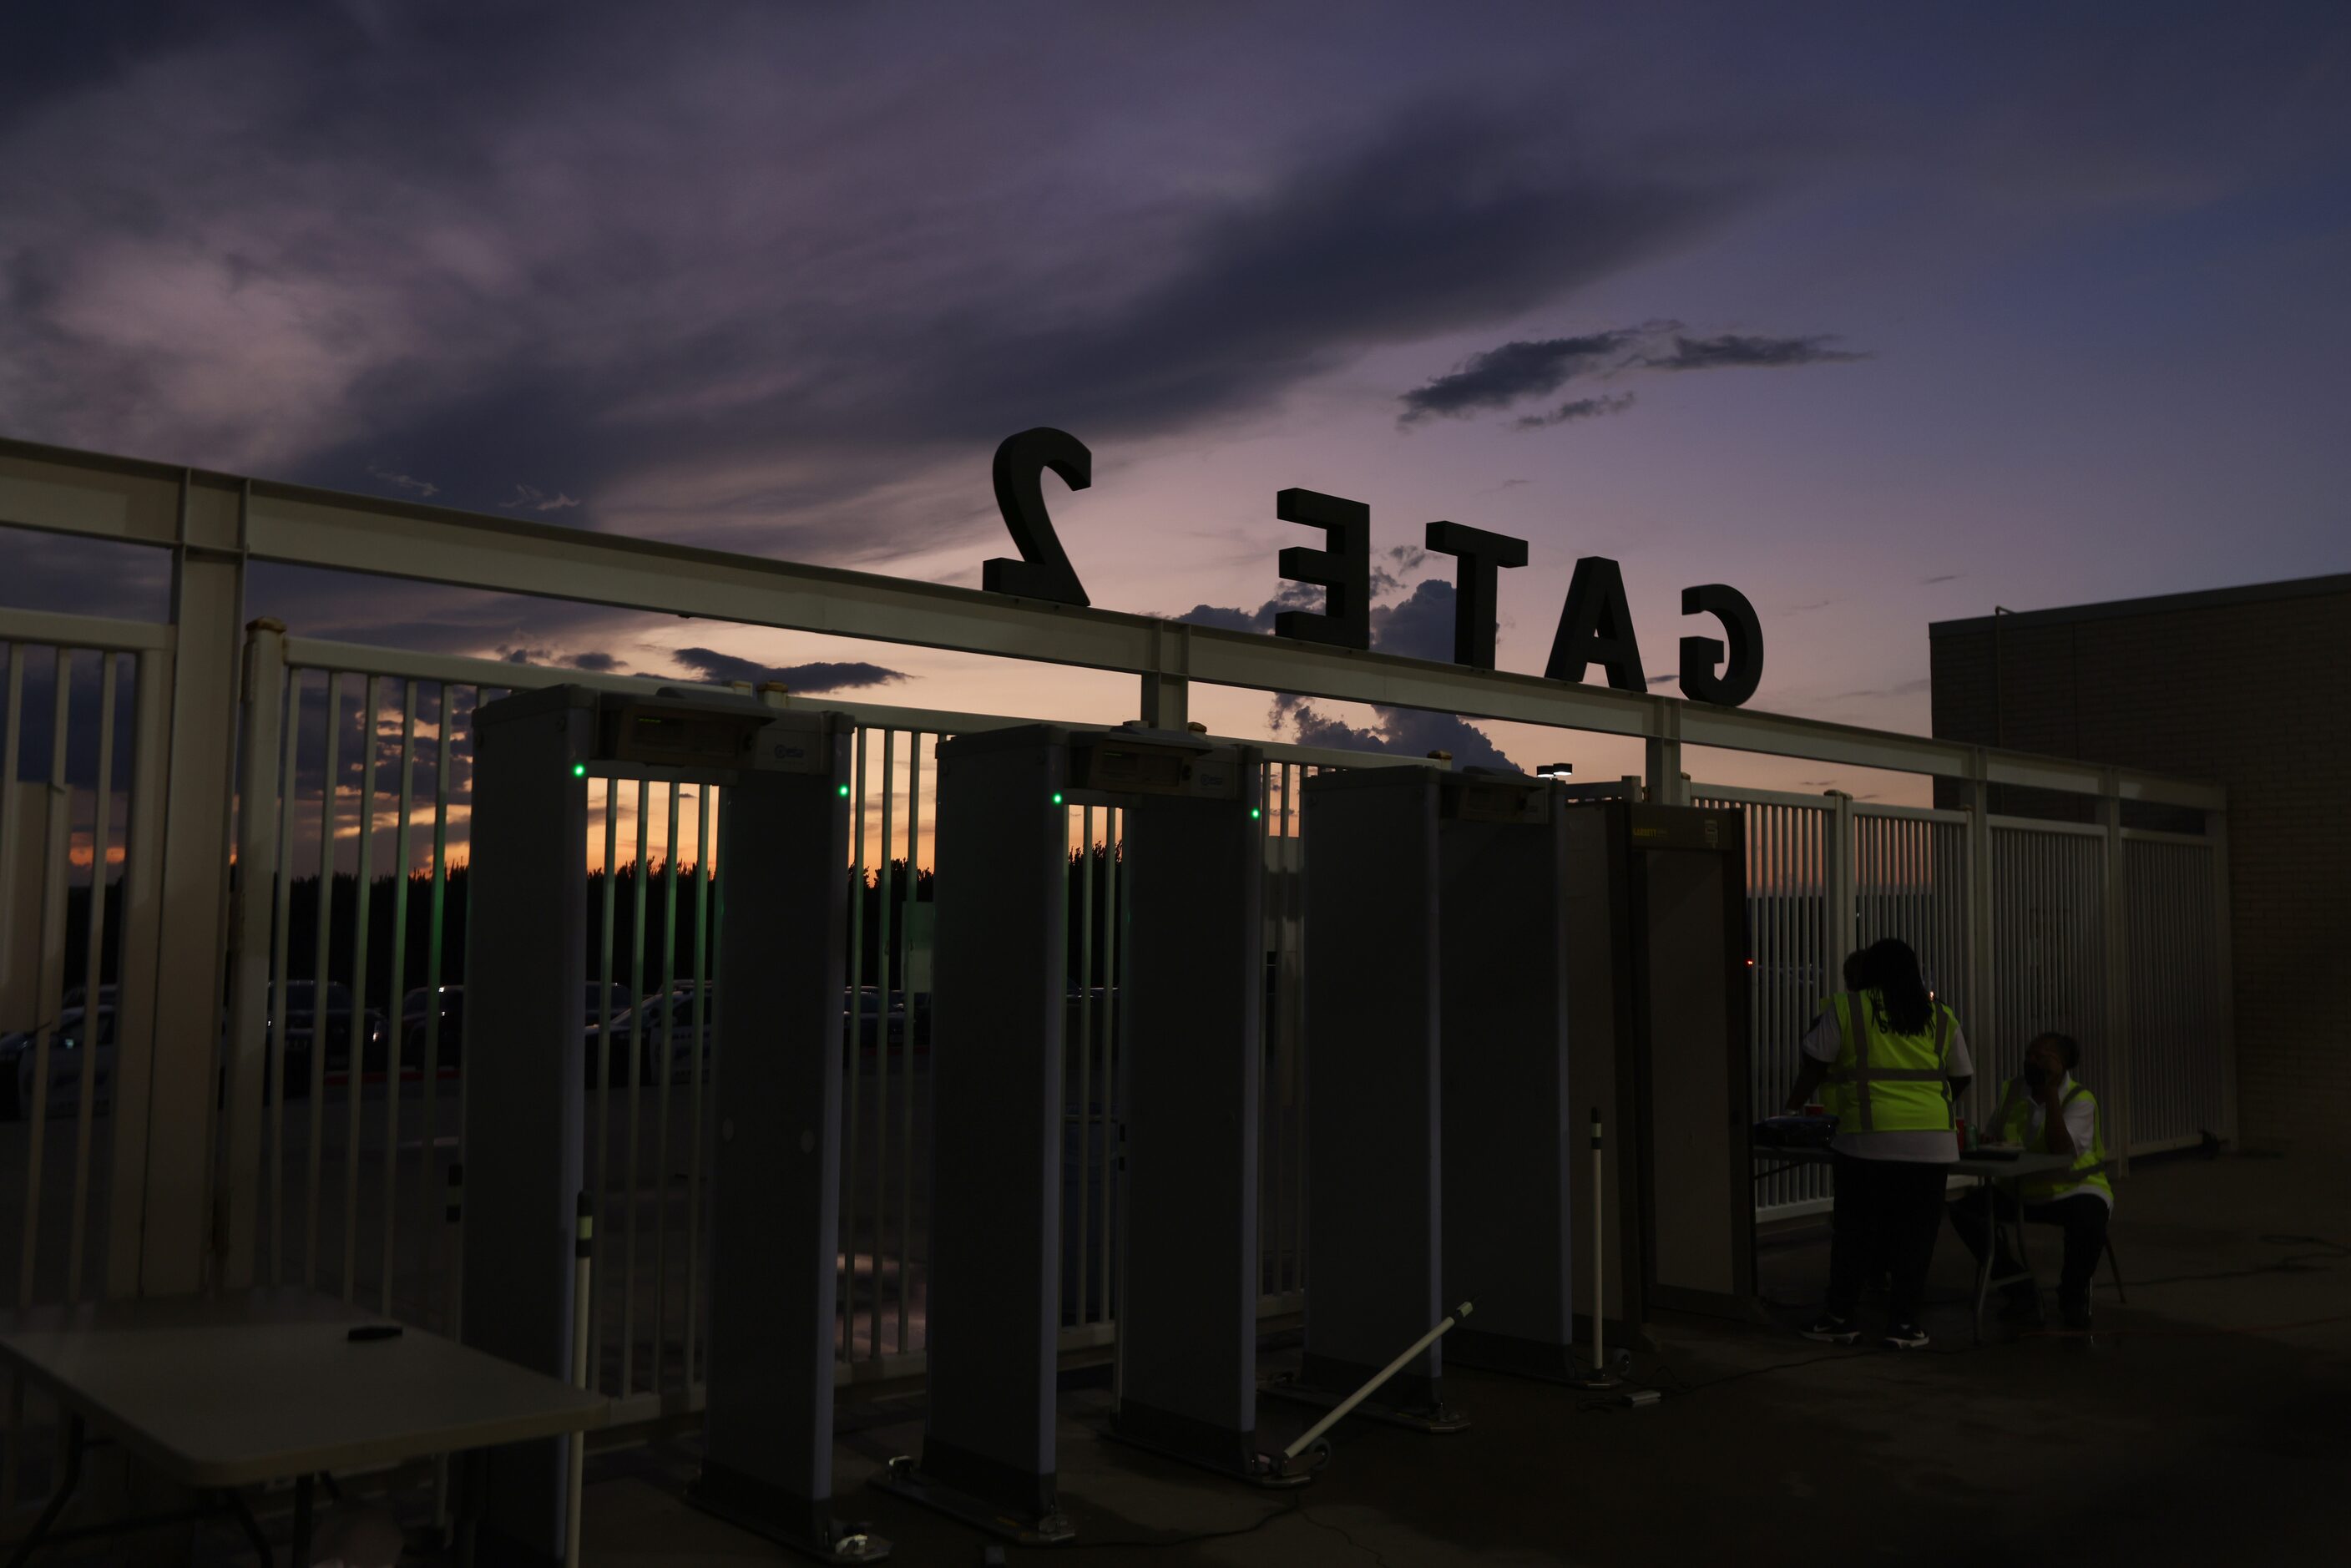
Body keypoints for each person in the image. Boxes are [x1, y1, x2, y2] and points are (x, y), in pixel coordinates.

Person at [1782, 938, 1972, 1350]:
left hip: (1868, 1140)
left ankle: (1840, 1318)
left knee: (1855, 1231)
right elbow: (1962, 1074)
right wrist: (1930, 1107)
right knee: (1916, 1235)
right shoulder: (1939, 1015)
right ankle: (1903, 1324)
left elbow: (1815, 1061)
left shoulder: (1848, 1009)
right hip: (1932, 1144)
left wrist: (1791, 1108)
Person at [1946, 1031, 2112, 1332]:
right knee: (1964, 1211)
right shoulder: (2013, 1090)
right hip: (2018, 1188)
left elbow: (2061, 1147)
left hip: (2071, 1189)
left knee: (2089, 1221)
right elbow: (1995, 1132)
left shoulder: (2079, 1100)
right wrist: (1989, 1141)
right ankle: (2019, 1289)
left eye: (2041, 1057)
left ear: (2062, 1063)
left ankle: (2072, 1297)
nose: (2031, 1062)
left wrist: (2050, 1093)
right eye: (2029, 1055)